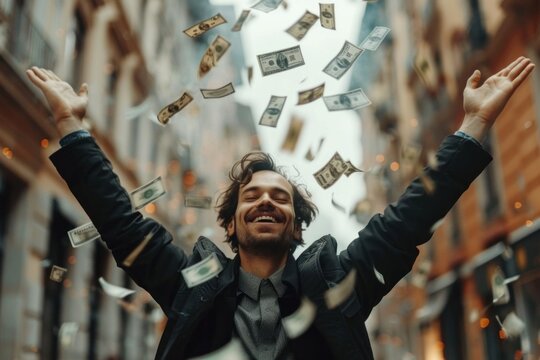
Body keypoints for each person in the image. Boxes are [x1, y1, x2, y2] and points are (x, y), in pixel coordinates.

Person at [26, 56, 534, 360]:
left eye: (280, 196)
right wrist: (71, 125)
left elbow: (410, 219)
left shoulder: (340, 284)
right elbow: (120, 221)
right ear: (231, 220)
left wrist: (474, 127)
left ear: (297, 223)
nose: (266, 199)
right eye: (251, 194)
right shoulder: (190, 283)